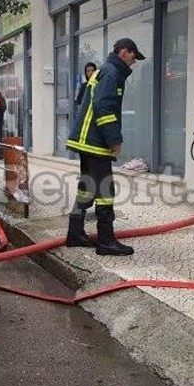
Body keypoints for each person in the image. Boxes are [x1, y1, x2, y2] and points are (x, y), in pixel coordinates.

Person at [65, 38, 145, 256]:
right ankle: (106, 241)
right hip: (95, 141)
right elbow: (104, 107)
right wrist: (114, 140)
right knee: (104, 190)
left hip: (86, 139)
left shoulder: (105, 70)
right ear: (123, 52)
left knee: (88, 187)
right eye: (133, 56)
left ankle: (75, 233)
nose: (133, 62)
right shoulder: (112, 73)